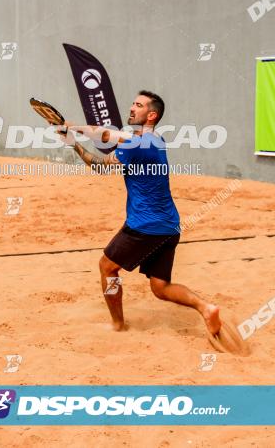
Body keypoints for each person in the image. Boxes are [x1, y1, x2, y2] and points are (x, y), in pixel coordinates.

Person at [62, 90, 221, 336]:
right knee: (160, 287)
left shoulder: (139, 144)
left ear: (152, 114)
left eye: (139, 105)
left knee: (107, 267)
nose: (132, 108)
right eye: (133, 103)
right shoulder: (149, 141)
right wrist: (74, 136)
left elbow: (102, 146)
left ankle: (118, 325)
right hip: (169, 226)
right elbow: (105, 150)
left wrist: (73, 134)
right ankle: (206, 308)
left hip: (145, 227)